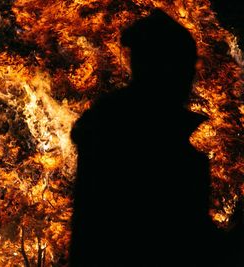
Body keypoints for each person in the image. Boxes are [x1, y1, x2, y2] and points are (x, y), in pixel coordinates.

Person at [69, 9, 243, 267]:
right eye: (186, 65)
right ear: (165, 68)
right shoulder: (153, 145)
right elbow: (180, 243)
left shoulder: (108, 128)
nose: (190, 75)